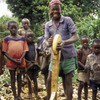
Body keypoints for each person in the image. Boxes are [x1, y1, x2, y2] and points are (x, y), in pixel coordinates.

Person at [44, 0, 79, 100]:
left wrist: (64, 42)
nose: (55, 11)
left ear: (60, 9)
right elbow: (46, 40)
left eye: (57, 9)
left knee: (67, 80)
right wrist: (48, 43)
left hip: (68, 55)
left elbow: (76, 36)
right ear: (50, 10)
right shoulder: (48, 25)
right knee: (50, 79)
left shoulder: (67, 20)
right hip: (54, 56)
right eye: (53, 9)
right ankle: (50, 97)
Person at [2, 21, 29, 100]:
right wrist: (13, 60)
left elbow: (25, 50)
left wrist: (20, 59)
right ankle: (15, 96)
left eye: (15, 28)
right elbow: (4, 51)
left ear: (18, 28)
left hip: (21, 62)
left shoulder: (23, 38)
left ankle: (19, 95)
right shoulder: (6, 39)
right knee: (13, 79)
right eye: (11, 28)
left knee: (19, 79)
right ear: (8, 29)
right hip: (11, 63)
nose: (14, 29)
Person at [25, 30, 40, 99]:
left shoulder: (35, 45)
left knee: (35, 79)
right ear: (25, 37)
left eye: (31, 36)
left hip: (35, 65)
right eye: (28, 36)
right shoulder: (25, 45)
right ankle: (30, 93)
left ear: (34, 37)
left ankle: (36, 93)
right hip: (28, 65)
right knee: (29, 80)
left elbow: (38, 54)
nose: (30, 38)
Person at [77, 35, 92, 100]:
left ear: (89, 42)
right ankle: (79, 97)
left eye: (86, 42)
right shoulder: (80, 51)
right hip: (81, 70)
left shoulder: (91, 50)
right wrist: (84, 66)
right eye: (84, 42)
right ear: (81, 43)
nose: (85, 43)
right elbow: (77, 61)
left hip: (88, 71)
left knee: (86, 84)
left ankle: (86, 98)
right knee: (81, 83)